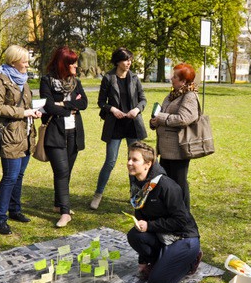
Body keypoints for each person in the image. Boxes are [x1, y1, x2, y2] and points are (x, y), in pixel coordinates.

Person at [126, 141, 202, 283]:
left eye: (134, 160)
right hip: (162, 234)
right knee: (135, 235)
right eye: (129, 158)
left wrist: (150, 226)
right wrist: (143, 260)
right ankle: (157, 261)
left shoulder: (166, 186)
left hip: (183, 237)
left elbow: (181, 221)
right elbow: (140, 216)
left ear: (148, 164)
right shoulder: (137, 184)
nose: (129, 163)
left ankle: (190, 261)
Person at [0, 44, 41, 235]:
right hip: (11, 135)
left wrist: (34, 111)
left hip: (27, 135)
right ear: (14, 61)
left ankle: (15, 210)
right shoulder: (0, 80)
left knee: (19, 176)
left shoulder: (24, 81)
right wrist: (23, 112)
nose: (28, 64)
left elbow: (27, 104)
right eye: (24, 60)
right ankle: (0, 218)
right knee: (10, 177)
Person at [90, 47, 147, 210]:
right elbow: (101, 102)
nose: (129, 63)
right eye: (125, 60)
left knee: (135, 162)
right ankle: (98, 195)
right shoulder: (108, 78)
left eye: (130, 59)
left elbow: (143, 99)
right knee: (110, 161)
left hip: (132, 125)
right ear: (117, 62)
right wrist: (113, 109)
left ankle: (135, 194)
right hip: (114, 125)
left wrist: (137, 109)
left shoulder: (135, 78)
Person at [39, 46, 87, 228]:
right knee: (61, 171)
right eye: (72, 63)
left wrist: (63, 103)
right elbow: (49, 107)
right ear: (63, 64)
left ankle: (58, 204)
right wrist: (70, 106)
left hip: (74, 132)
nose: (76, 66)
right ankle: (65, 213)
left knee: (66, 172)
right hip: (55, 132)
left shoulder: (75, 81)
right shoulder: (47, 81)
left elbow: (84, 103)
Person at [149, 63, 200, 209]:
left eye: (175, 76)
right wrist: (154, 121)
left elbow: (184, 118)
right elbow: (162, 115)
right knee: (168, 184)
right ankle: (171, 214)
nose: (171, 78)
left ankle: (184, 217)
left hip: (179, 149)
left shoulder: (189, 96)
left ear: (183, 81)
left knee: (179, 185)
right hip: (165, 149)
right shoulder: (172, 95)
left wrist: (161, 118)